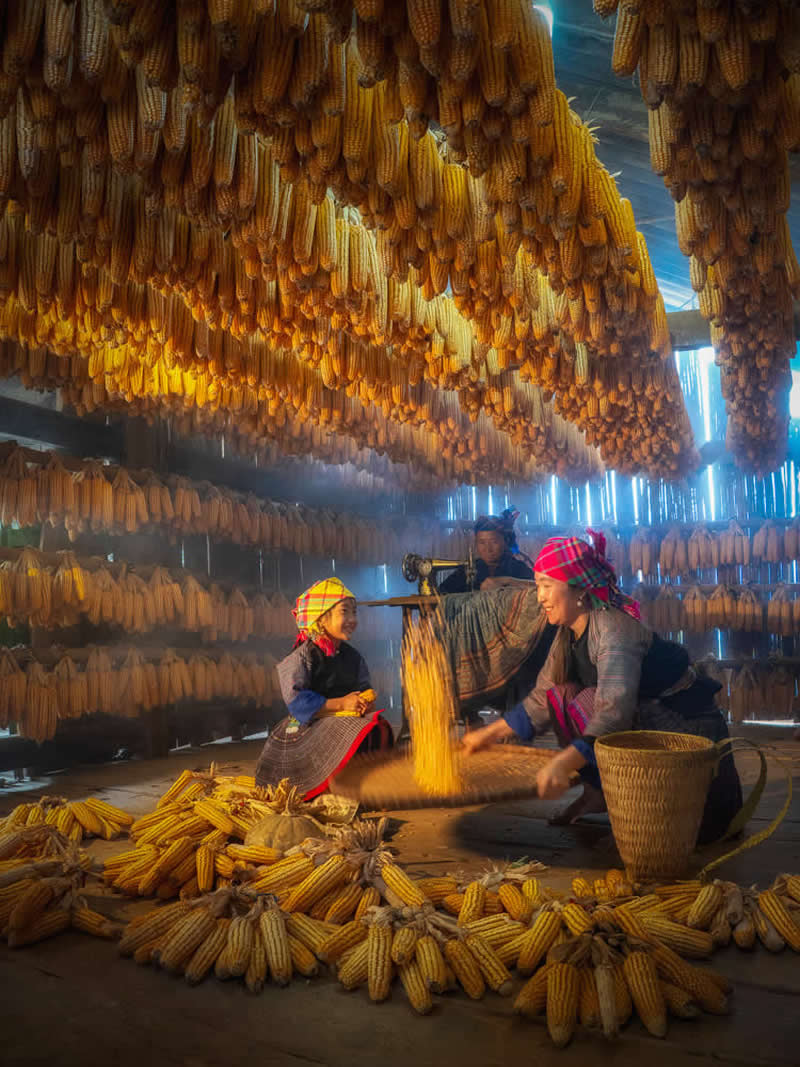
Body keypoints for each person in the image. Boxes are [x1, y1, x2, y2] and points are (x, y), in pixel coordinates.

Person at [462, 531, 742, 844]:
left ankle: (648, 804)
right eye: (538, 585)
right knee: (561, 696)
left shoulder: (612, 630)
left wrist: (562, 763)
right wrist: (486, 734)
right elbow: (541, 699)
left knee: (585, 703)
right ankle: (597, 794)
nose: (539, 596)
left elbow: (614, 713)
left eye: (546, 586)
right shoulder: (567, 635)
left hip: (684, 731)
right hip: (645, 716)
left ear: (577, 591)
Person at [255, 577, 392, 798]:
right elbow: (296, 701)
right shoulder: (302, 656)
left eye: (354, 613)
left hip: (343, 719)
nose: (352, 619)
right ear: (321, 618)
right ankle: (330, 784)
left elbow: (363, 685)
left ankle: (360, 780)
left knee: (377, 724)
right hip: (310, 723)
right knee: (342, 729)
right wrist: (341, 704)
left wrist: (365, 701)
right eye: (344, 612)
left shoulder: (353, 657)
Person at [439, 507, 535, 594]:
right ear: (476, 543)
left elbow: (537, 587)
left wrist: (507, 581)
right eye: (482, 543)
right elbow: (442, 592)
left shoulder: (517, 568)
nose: (488, 549)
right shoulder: (468, 570)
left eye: (494, 542)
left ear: (505, 541)